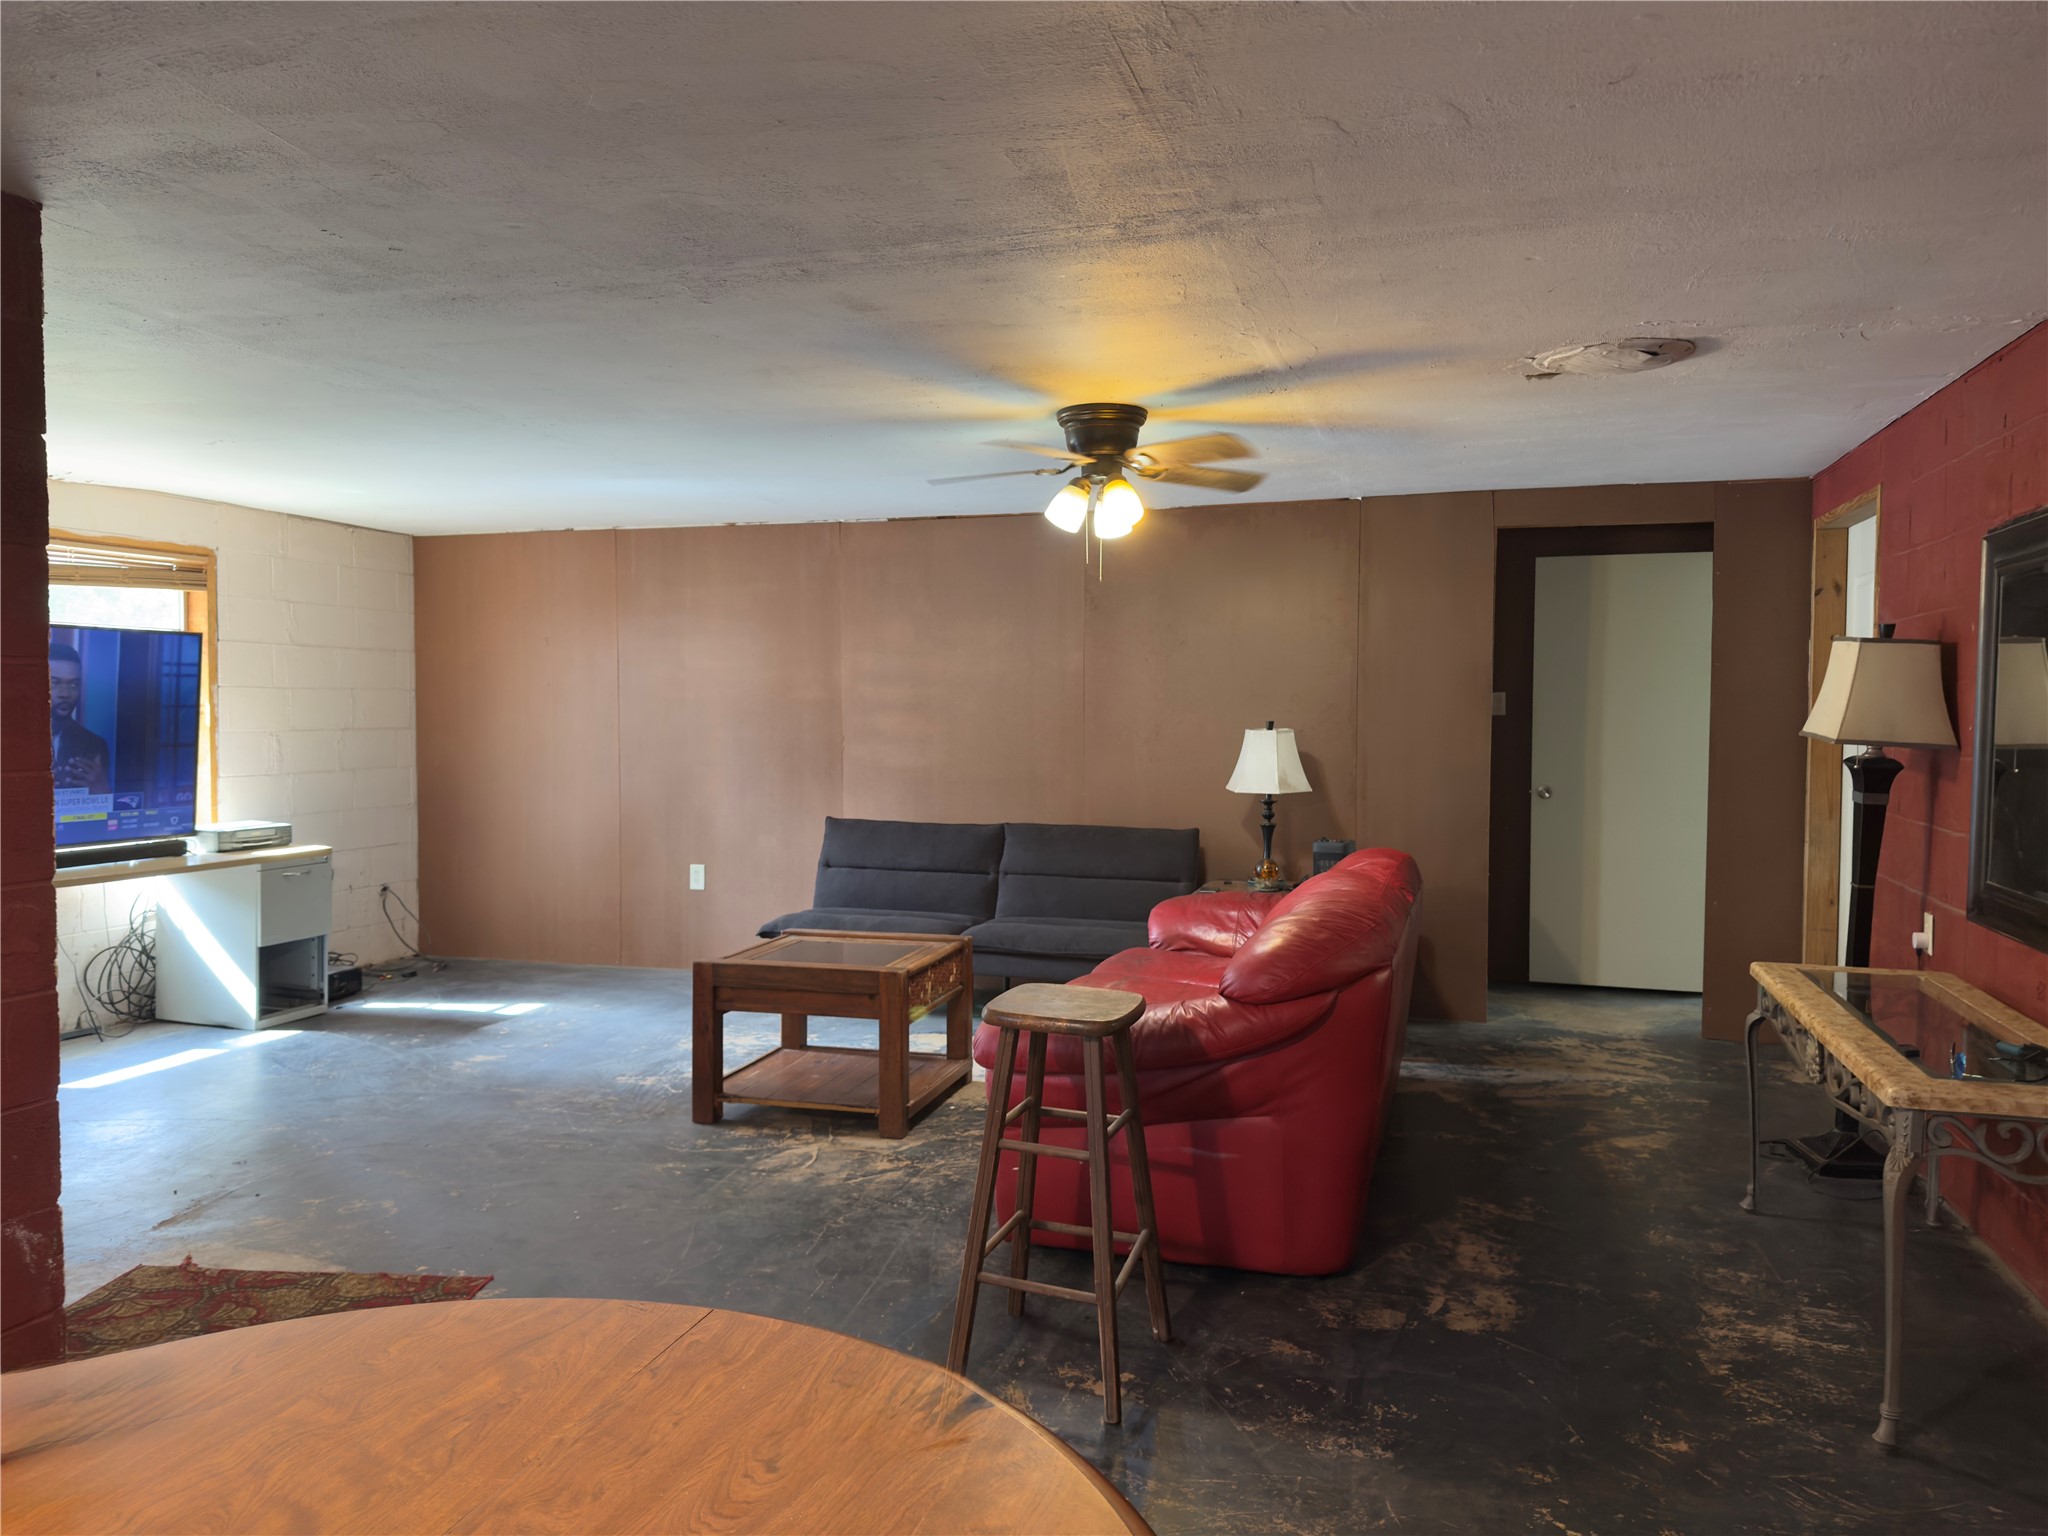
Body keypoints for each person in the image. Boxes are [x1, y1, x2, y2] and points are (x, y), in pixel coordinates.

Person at [49, 640, 111, 793]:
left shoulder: (94, 745)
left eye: (73, 684)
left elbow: (107, 811)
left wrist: (101, 790)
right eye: (54, 683)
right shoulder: (10, 742)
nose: (65, 694)